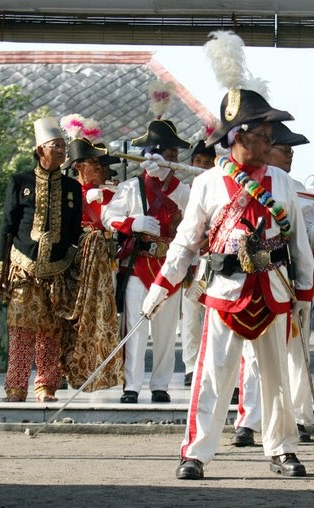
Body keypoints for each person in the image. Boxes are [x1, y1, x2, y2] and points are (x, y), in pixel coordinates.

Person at [141, 84, 314, 479]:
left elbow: (299, 246)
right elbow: (185, 245)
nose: (271, 143)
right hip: (224, 291)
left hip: (273, 290)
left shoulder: (283, 183)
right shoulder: (207, 184)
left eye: (271, 137)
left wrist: (304, 294)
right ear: (238, 136)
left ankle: (282, 449)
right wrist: (161, 288)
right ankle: (196, 454)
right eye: (264, 136)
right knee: (212, 377)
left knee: (277, 381)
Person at [230, 122, 314, 446]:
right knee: (252, 355)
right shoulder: (242, 181)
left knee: (296, 353)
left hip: (287, 275)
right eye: (285, 150)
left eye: (291, 152)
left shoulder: (296, 188)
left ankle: (298, 417)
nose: (290, 156)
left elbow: (308, 240)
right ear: (267, 149)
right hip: (250, 274)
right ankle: (248, 419)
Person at [0, 116, 82, 402]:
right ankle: (16, 387)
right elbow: (7, 227)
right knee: (20, 330)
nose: (62, 150)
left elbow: (74, 232)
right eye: (56, 145)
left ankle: (46, 387)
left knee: (51, 332)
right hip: (23, 267)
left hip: (58, 271)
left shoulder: (72, 188)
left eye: (63, 145)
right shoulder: (19, 181)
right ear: (40, 149)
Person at [102, 117, 191, 404]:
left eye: (176, 156)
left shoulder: (182, 189)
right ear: (153, 154)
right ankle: (131, 385)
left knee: (165, 333)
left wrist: (168, 180)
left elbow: (192, 210)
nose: (174, 159)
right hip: (139, 265)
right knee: (136, 328)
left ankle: (161, 385)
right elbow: (108, 216)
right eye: (170, 154)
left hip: (169, 266)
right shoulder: (130, 187)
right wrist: (132, 223)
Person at [59, 132, 124, 391]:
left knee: (104, 317)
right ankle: (68, 368)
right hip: (75, 262)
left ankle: (99, 366)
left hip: (107, 261)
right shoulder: (69, 194)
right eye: (95, 164)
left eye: (103, 165)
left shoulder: (113, 193)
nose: (102, 169)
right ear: (79, 167)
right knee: (71, 317)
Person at [179, 134, 216, 387]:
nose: (201, 166)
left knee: (213, 317)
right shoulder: (184, 191)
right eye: (198, 161)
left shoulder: (218, 191)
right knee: (191, 316)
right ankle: (191, 366)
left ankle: (213, 366)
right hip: (191, 264)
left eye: (206, 162)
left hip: (213, 263)